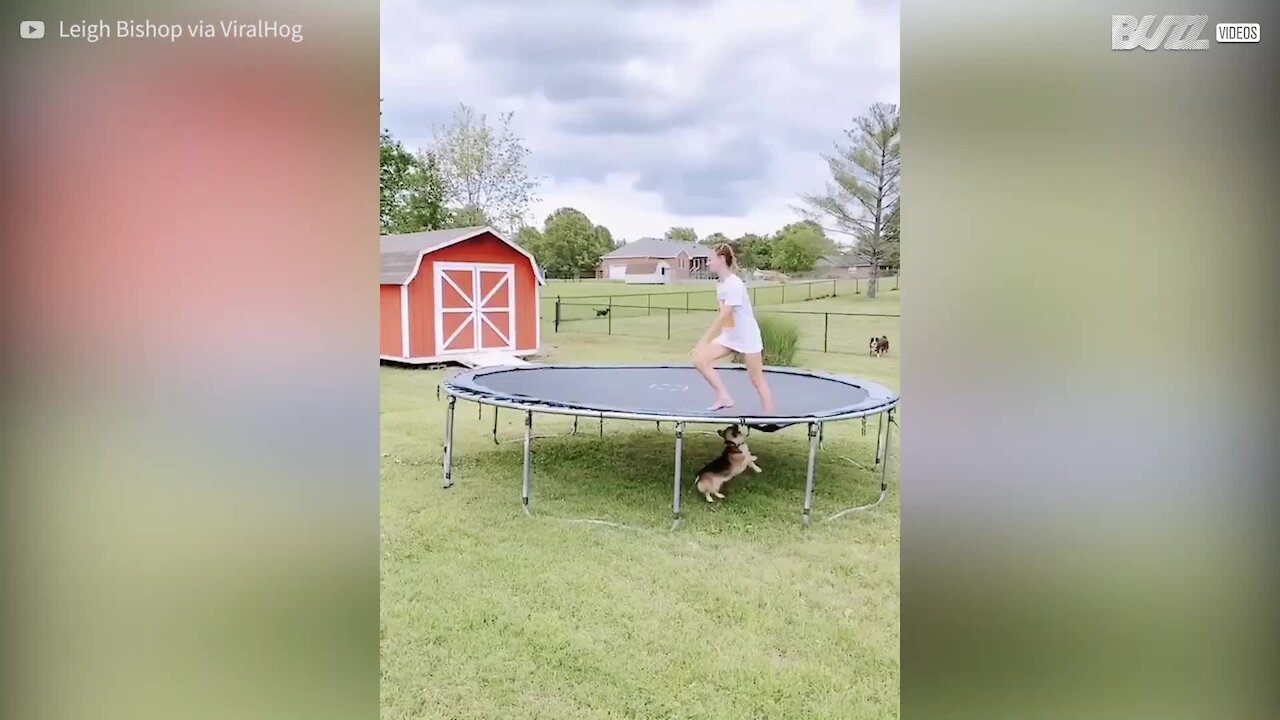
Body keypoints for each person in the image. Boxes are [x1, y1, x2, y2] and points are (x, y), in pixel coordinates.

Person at [692, 244, 776, 413]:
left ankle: (770, 416)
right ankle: (724, 397)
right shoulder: (720, 284)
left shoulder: (734, 284)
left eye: (710, 259)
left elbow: (724, 314)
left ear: (721, 259)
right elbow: (724, 315)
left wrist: (704, 340)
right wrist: (717, 338)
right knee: (700, 359)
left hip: (747, 336)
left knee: (756, 379)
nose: (707, 263)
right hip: (730, 335)